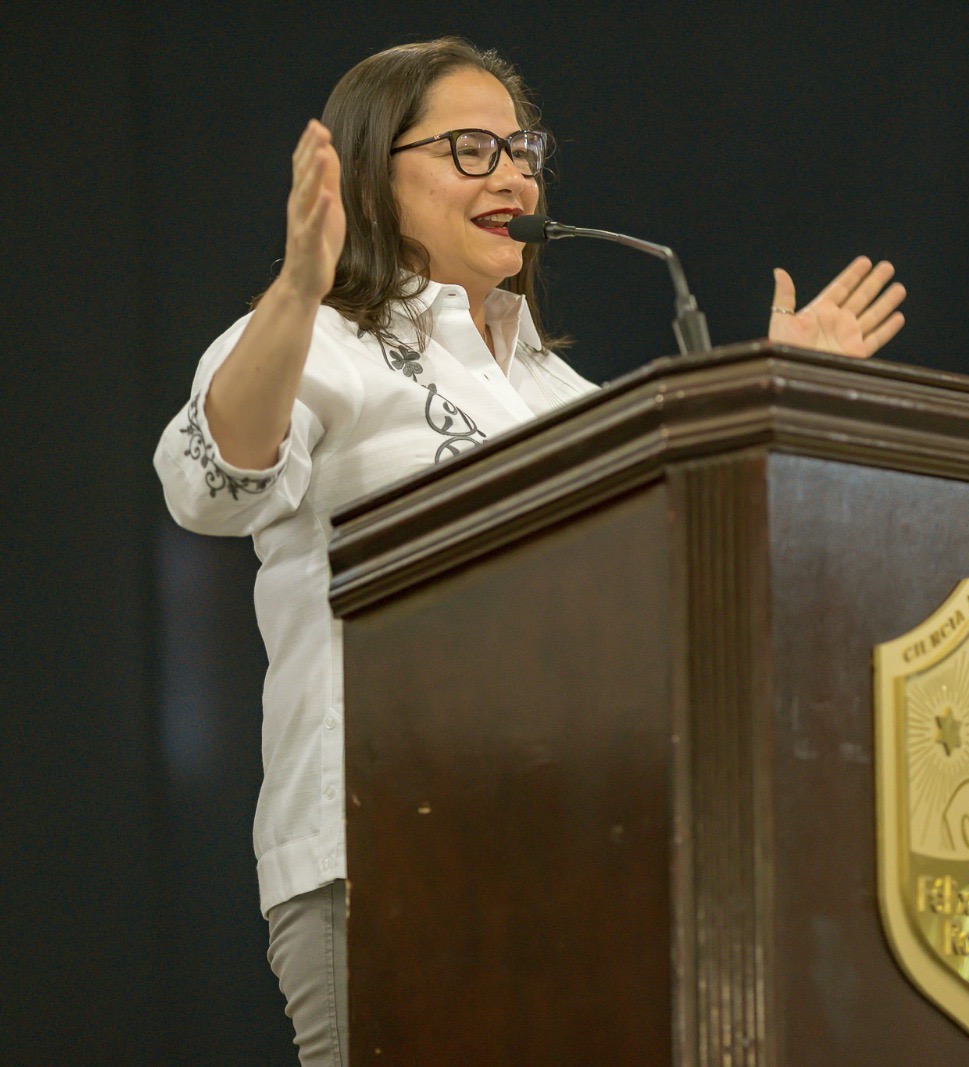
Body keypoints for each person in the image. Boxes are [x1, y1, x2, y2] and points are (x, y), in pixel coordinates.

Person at [154, 36, 905, 1065]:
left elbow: (688, 574)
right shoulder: (318, 339)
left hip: (583, 854)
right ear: (374, 173)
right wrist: (296, 287)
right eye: (471, 148)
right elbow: (209, 485)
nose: (512, 174)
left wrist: (775, 399)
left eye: (524, 150)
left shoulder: (562, 396)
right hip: (381, 846)